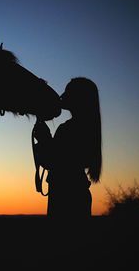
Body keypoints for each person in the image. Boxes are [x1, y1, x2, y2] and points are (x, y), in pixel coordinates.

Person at [33, 77, 102, 223]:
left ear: (78, 98)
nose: (63, 95)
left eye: (68, 92)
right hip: (74, 192)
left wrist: (44, 139)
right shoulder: (87, 127)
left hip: (64, 195)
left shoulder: (69, 129)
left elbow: (54, 162)